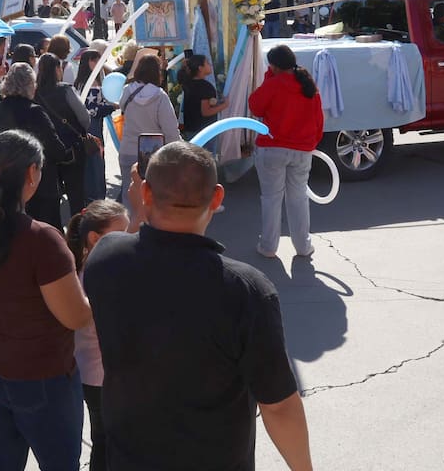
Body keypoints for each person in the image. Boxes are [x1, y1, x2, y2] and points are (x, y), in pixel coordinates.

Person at [83, 142, 312, 471]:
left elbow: (126, 245)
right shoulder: (246, 291)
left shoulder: (105, 258)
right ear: (217, 199)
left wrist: (137, 211)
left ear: (145, 193)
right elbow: (278, 406)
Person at [0, 130, 92, 471]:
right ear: (31, 173)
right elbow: (76, 316)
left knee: (4, 459)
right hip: (36, 375)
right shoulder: (40, 239)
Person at [65, 200, 130, 471]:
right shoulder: (98, 276)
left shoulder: (80, 266)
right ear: (95, 237)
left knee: (102, 434)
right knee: (107, 439)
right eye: (121, 235)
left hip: (88, 372)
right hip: (102, 377)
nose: (128, 242)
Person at [248, 44, 324, 259]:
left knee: (271, 198)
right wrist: (310, 145)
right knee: (298, 198)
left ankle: (269, 246)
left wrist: (268, 78)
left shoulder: (273, 84)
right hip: (302, 150)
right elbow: (319, 122)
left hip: (272, 149)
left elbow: (255, 106)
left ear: (274, 66)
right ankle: (303, 246)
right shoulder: (308, 85)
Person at [0, 63, 70, 229]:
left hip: (7, 185)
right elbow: (56, 149)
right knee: (46, 236)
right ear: (29, 85)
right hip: (39, 185)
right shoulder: (34, 112)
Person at [116, 53, 179, 205]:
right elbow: (170, 130)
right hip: (153, 153)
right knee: (153, 198)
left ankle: (130, 227)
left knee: (129, 195)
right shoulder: (160, 96)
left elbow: (121, 108)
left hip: (128, 150)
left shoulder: (127, 90)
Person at [35, 53, 93, 218]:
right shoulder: (65, 90)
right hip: (71, 147)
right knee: (76, 194)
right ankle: (77, 233)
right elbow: (84, 117)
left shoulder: (34, 93)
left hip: (46, 150)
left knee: (51, 195)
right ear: (56, 69)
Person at [74, 50, 116, 203]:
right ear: (89, 62)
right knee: (94, 162)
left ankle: (94, 195)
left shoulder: (86, 81)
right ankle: (95, 196)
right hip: (92, 127)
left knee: (94, 161)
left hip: (94, 126)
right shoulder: (89, 83)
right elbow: (91, 110)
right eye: (96, 61)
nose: (99, 65)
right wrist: (112, 107)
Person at [178, 53, 228, 138]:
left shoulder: (188, 83)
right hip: (205, 131)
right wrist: (224, 105)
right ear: (200, 68)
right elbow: (206, 112)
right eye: (207, 63)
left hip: (191, 129)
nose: (210, 64)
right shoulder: (205, 87)